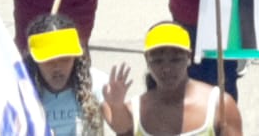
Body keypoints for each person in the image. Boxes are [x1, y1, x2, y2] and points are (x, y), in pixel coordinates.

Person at [103, 23, 244, 136]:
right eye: (158, 61)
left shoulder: (221, 106)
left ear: (189, 57)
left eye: (175, 60)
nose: (166, 68)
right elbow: (121, 128)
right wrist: (116, 105)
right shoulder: (134, 111)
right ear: (147, 60)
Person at [22, 13, 108, 135]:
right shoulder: (21, 92)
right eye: (49, 61)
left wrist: (116, 104)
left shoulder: (98, 84)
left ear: (76, 58)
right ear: (34, 61)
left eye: (65, 59)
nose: (57, 67)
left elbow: (123, 128)